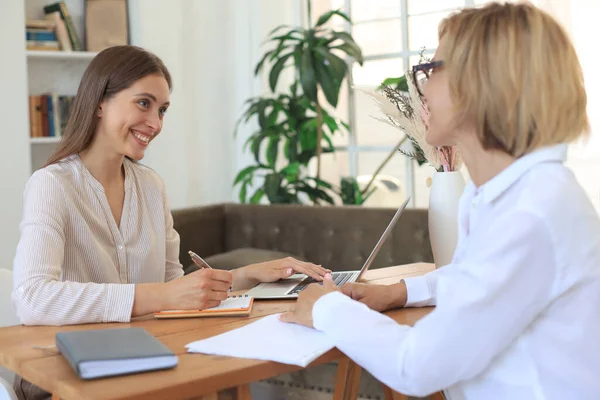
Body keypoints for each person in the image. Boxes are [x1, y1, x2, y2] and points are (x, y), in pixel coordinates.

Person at [280, 3, 600, 399]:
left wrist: (325, 308)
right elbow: (477, 277)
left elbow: (418, 366)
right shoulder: (510, 195)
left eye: (430, 72)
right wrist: (400, 292)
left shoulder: (530, 213)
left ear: (482, 84)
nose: (422, 89)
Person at [11, 45, 327, 400]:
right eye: (143, 103)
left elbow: (172, 287)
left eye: (162, 110)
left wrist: (246, 275)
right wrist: (161, 295)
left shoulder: (150, 186)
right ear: (100, 101)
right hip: (69, 375)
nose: (156, 123)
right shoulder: (53, 184)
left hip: (145, 361)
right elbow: (33, 297)